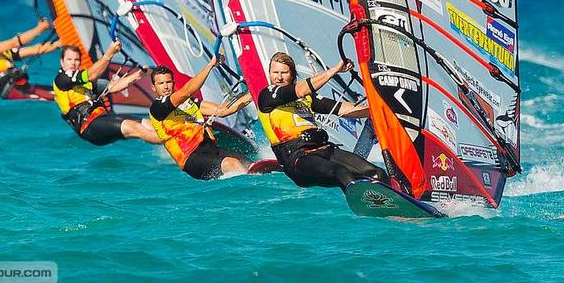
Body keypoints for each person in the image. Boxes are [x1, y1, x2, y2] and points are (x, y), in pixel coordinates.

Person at [256, 52, 389, 191]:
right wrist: (335, 70)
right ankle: (364, 204)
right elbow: (300, 90)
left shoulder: (307, 99)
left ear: (292, 75)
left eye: (284, 72)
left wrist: (376, 110)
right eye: (274, 72)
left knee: (377, 174)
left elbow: (341, 109)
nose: (278, 77)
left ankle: (397, 209)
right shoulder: (267, 96)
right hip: (297, 159)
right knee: (341, 172)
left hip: (324, 150)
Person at [148, 58, 254, 180]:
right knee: (232, 164)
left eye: (168, 82)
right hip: (191, 159)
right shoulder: (158, 108)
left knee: (251, 165)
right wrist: (210, 65)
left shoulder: (188, 103)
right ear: (153, 88)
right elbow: (187, 91)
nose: (166, 87)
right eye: (161, 84)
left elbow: (222, 110)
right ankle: (247, 195)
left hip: (212, 150)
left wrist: (253, 94)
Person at [53, 42, 161, 146]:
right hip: (88, 126)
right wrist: (109, 53)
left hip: (102, 118)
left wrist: (139, 74)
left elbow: (113, 87)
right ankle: (173, 142)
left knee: (145, 123)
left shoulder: (86, 84)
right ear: (62, 62)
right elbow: (90, 75)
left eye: (76, 59)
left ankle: (173, 137)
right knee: (135, 128)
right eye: (69, 59)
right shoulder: (62, 79)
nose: (73, 63)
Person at [0, 15, 59, 100]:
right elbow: (14, 43)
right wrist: (39, 29)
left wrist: (59, 43)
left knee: (57, 91)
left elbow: (37, 50)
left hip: (21, 87)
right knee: (56, 96)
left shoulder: (4, 52)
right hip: (9, 90)